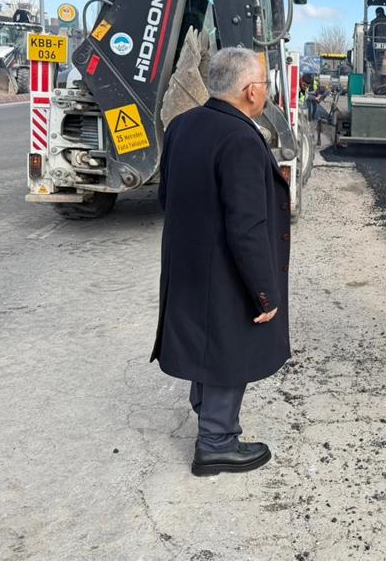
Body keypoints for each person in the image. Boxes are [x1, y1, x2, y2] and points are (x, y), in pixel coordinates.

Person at [152, 47, 291, 476]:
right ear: (251, 91)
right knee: (230, 345)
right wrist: (265, 292)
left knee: (206, 340)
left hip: (189, 261)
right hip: (227, 266)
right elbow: (246, 225)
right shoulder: (241, 138)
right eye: (265, 85)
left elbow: (165, 196)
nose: (265, 92)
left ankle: (206, 412)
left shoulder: (182, 125)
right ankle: (216, 443)